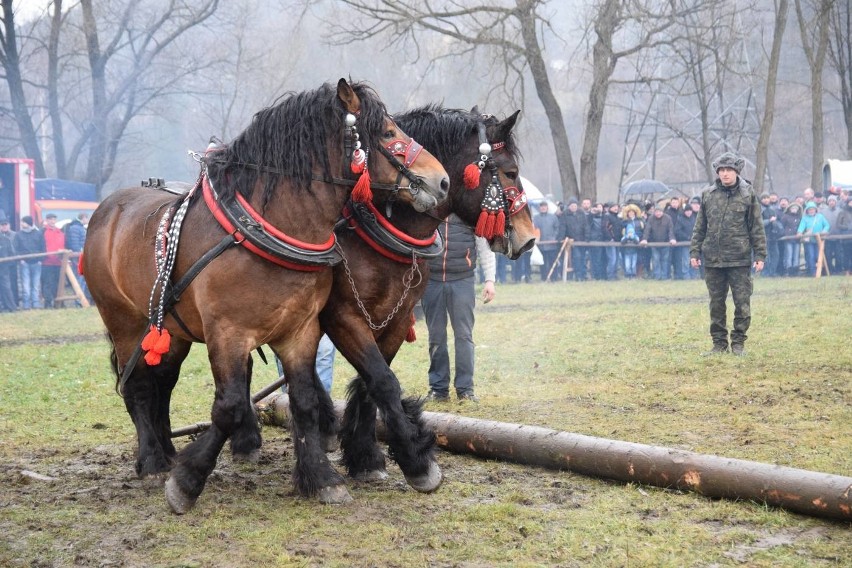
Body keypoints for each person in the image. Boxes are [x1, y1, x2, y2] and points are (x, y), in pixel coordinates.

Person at [690, 151, 766, 356]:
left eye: (729, 170)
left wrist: (760, 255)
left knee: (742, 303)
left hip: (739, 258)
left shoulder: (748, 194)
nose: (725, 174)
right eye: (721, 170)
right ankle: (719, 343)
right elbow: (700, 226)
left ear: (736, 171)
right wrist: (694, 251)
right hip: (713, 259)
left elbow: (756, 227)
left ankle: (739, 342)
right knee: (716, 304)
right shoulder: (708, 194)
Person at [422, 213, 496, 403]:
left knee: (464, 336)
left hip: (463, 280)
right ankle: (438, 390)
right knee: (436, 336)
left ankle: (465, 389)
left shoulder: (468, 210)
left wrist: (490, 280)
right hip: (432, 280)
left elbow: (485, 247)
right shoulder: (431, 210)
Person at [13, 215, 45, 309]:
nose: (21, 224)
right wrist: (21, 259)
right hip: (25, 263)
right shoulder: (18, 235)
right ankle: (26, 305)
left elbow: (43, 247)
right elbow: (16, 248)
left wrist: (40, 260)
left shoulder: (38, 233)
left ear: (28, 222)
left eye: (23, 222)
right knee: (25, 285)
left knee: (35, 285)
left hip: (37, 262)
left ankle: (35, 304)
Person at [640, 204, 676, 280]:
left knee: (665, 260)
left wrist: (672, 238)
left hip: (665, 243)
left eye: (659, 211)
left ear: (662, 212)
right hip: (654, 243)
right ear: (654, 212)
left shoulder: (668, 218)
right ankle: (657, 276)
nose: (658, 213)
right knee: (655, 260)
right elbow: (647, 229)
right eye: (656, 211)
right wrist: (645, 239)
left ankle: (664, 277)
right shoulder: (651, 218)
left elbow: (671, 230)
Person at [796, 201, 830, 277]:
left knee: (818, 256)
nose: (811, 211)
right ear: (807, 210)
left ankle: (819, 271)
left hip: (819, 240)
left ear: (815, 209)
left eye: (813, 209)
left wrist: (823, 232)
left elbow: (827, 225)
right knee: (810, 256)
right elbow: (801, 227)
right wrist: (799, 232)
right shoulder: (804, 218)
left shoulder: (820, 216)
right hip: (809, 240)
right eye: (809, 209)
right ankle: (812, 272)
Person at [64, 212, 90, 303]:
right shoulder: (76, 228)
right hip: (78, 256)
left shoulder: (78, 227)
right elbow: (75, 243)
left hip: (80, 255)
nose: (88, 220)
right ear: (83, 218)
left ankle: (80, 299)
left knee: (81, 278)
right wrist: (80, 252)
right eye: (87, 218)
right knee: (80, 278)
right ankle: (79, 300)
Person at [41, 213, 65, 308]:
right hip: (47, 262)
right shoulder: (43, 232)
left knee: (58, 283)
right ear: (46, 220)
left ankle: (58, 302)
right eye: (50, 219)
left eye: (54, 219)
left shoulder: (60, 232)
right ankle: (48, 303)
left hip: (59, 262)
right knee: (47, 283)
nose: (52, 221)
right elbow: (41, 246)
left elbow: (64, 245)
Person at [560, 198, 588, 281]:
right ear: (569, 206)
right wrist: (561, 238)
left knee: (583, 257)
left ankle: (583, 275)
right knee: (576, 257)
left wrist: (587, 237)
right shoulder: (565, 214)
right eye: (572, 206)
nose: (573, 207)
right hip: (572, 240)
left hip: (582, 239)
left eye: (575, 206)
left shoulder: (581, 213)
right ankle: (578, 275)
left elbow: (586, 226)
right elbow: (563, 226)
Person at [533, 201, 561, 281]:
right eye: (541, 206)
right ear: (539, 208)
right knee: (543, 262)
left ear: (547, 208)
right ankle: (544, 277)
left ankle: (554, 278)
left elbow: (557, 228)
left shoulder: (553, 217)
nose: (543, 208)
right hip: (541, 245)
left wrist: (554, 237)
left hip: (552, 244)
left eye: (544, 206)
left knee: (553, 262)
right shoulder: (536, 218)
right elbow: (534, 229)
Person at [759, 192, 783, 278]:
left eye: (767, 198)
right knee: (766, 256)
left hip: (773, 236)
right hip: (763, 236)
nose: (766, 200)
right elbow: (758, 223)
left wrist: (778, 227)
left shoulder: (773, 210)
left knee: (775, 254)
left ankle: (772, 272)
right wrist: (769, 220)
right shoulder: (759, 210)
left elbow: (777, 222)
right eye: (763, 198)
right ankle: (765, 272)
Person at [620, 203, 643, 279]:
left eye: (632, 212)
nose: (631, 213)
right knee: (626, 259)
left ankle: (637, 274)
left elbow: (643, 230)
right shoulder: (624, 222)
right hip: (627, 242)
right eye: (629, 212)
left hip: (638, 240)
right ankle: (627, 273)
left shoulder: (640, 221)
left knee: (638, 258)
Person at [673, 205, 697, 279]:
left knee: (694, 260)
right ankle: (686, 276)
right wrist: (687, 237)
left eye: (690, 210)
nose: (689, 212)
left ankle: (693, 275)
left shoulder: (694, 219)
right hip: (684, 244)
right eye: (687, 211)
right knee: (686, 260)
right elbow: (677, 231)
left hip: (694, 244)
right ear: (684, 211)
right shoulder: (680, 219)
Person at [780, 202, 802, 276]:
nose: (794, 209)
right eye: (793, 208)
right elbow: (781, 227)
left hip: (797, 239)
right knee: (789, 255)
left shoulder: (799, 217)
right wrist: (785, 233)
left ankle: (795, 270)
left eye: (796, 208)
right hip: (788, 239)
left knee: (796, 255)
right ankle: (788, 270)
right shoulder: (785, 217)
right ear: (789, 209)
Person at [0, 216, 16, 312]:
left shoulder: (6, 240)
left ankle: (11, 307)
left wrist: (7, 262)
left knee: (6, 288)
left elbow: (11, 253)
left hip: (4, 268)